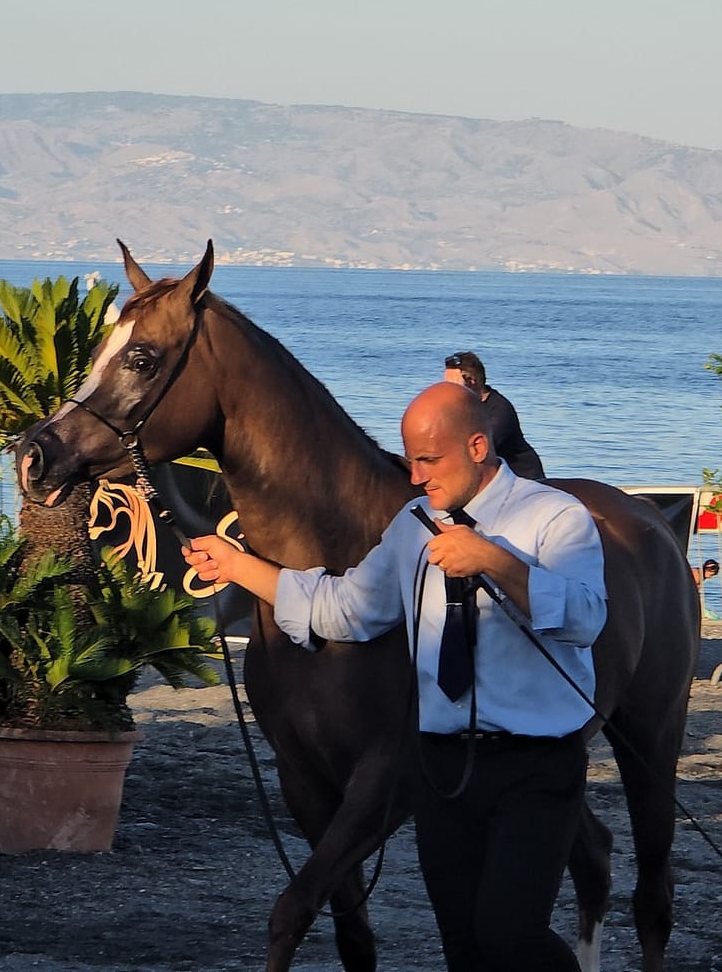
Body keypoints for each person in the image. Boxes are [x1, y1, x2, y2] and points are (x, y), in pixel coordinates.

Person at [184, 381, 604, 972]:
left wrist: (493, 559)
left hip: (535, 765)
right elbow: (345, 610)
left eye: (429, 460)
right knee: (463, 946)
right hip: (441, 763)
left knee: (510, 938)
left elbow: (585, 619)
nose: (415, 476)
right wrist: (237, 566)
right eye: (410, 460)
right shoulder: (413, 523)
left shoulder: (555, 516)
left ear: (477, 447)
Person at [442, 351, 546, 480]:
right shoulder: (460, 406)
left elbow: (479, 448)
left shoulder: (499, 410)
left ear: (471, 381)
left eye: (453, 384)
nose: (448, 389)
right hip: (494, 476)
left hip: (522, 478)